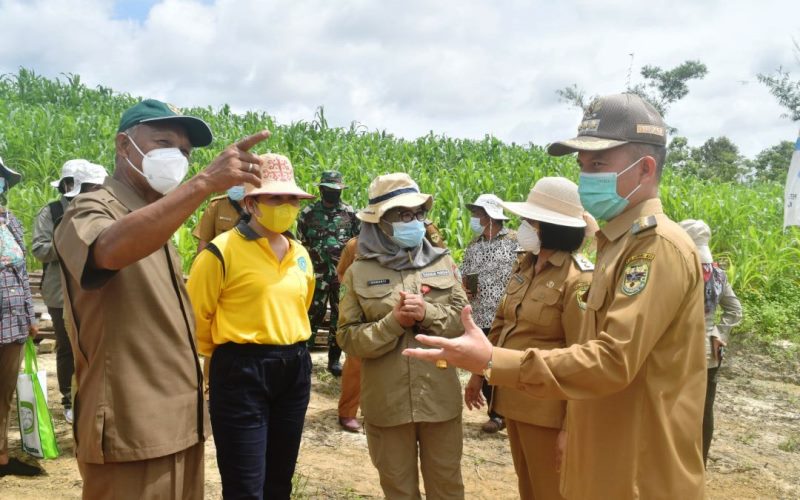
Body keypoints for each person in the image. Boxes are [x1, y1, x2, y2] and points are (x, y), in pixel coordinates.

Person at [405, 93, 708, 499]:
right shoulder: (615, 245)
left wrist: (493, 360)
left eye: (599, 164)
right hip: (601, 455)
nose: (586, 177)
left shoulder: (656, 247)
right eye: (582, 166)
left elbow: (612, 360)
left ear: (645, 169)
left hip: (637, 470)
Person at [55, 99, 268, 499]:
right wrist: (203, 183)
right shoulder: (91, 208)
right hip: (131, 426)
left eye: (185, 151)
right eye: (163, 141)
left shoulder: (159, 219)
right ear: (124, 145)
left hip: (179, 424)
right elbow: (107, 250)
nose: (176, 156)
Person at [187, 153, 315, 499]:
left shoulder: (300, 253)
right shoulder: (220, 252)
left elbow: (300, 307)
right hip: (241, 370)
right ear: (251, 203)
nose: (286, 205)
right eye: (275, 197)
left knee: (279, 480)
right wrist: (223, 362)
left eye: (292, 199)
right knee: (245, 484)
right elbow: (198, 316)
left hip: (295, 368)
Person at [337, 173, 468, 500]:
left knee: (448, 488)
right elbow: (347, 339)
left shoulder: (443, 261)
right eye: (402, 215)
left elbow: (464, 323)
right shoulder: (358, 272)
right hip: (387, 403)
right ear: (380, 222)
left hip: (439, 400)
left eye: (417, 213)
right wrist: (392, 323)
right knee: (398, 491)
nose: (413, 221)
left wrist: (428, 314)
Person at [464, 178, 594, 499]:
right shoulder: (526, 264)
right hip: (513, 400)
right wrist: (478, 374)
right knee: (528, 488)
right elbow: (501, 323)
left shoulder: (577, 280)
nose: (524, 227)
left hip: (548, 411)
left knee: (550, 491)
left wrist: (570, 427)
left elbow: (584, 360)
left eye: (530, 221)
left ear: (550, 228)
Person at [335, 222, 447, 433]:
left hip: (414, 316)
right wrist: (359, 296)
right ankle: (347, 411)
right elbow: (342, 274)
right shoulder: (356, 245)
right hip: (370, 318)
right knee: (356, 364)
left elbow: (439, 261)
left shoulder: (423, 238)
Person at [32, 159, 107, 424]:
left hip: (95, 291)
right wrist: (68, 244)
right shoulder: (51, 213)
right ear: (67, 185)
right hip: (60, 293)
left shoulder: (99, 209)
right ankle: (68, 398)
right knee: (67, 347)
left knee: (96, 346)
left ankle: (94, 398)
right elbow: (39, 249)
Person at [680, 219, 742, 467]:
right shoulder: (717, 274)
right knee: (704, 410)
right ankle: (699, 464)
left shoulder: (678, 272)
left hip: (679, 353)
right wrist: (720, 332)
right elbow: (735, 310)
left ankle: (678, 463)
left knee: (675, 406)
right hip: (708, 353)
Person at [460, 193, 518, 433]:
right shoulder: (474, 246)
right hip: (480, 313)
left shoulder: (515, 241)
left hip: (505, 313)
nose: (474, 217)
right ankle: (495, 411)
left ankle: (500, 414)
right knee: (482, 363)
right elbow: (465, 273)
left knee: (500, 362)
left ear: (490, 215)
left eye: (478, 213)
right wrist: (464, 286)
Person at [0, 158, 41, 477]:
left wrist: (29, 316)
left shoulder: (10, 221)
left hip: (12, 325)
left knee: (4, 393)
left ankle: (1, 455)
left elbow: (22, 272)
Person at [297, 171, 359, 376]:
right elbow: (301, 245)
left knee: (340, 318)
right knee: (311, 316)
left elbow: (356, 244)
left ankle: (334, 361)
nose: (334, 193)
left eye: (337, 190)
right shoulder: (308, 213)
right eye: (330, 189)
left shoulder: (350, 214)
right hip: (315, 277)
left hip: (342, 277)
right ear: (321, 189)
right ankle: (303, 358)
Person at [193, 185, 250, 253]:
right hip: (222, 260)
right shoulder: (217, 204)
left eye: (240, 183)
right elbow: (203, 243)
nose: (235, 185)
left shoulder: (260, 205)